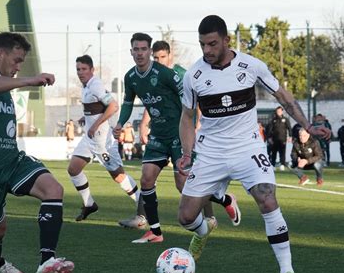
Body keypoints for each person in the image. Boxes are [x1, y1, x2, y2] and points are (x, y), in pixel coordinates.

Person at [177, 15, 331, 273]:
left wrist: (307, 125)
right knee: (186, 217)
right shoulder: (194, 75)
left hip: (247, 146)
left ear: (226, 40)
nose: (207, 51)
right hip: (211, 150)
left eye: (212, 44)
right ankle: (203, 230)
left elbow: (284, 97)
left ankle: (287, 271)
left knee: (267, 197)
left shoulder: (251, 66)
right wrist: (188, 154)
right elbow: (187, 117)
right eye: (202, 45)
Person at [0, 32, 74, 273]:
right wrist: (30, 80)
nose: (18, 66)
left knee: (53, 189)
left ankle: (47, 261)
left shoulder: (3, 83)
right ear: (0, 54)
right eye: (17, 59)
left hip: (11, 161)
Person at [114, 33, 240, 243]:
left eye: (143, 49)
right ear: (131, 52)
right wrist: (120, 123)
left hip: (178, 135)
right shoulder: (130, 77)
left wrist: (195, 123)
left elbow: (190, 97)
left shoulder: (166, 74)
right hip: (158, 135)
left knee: (184, 185)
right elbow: (128, 103)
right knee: (146, 178)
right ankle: (155, 232)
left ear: (149, 52)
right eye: (136, 49)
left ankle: (224, 199)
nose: (140, 53)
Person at [138, 39, 237, 222]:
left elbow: (197, 98)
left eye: (163, 57)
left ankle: (211, 215)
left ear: (170, 56)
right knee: (162, 179)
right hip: (163, 133)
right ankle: (213, 213)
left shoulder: (181, 74)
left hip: (184, 132)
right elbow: (152, 100)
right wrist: (144, 123)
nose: (159, 61)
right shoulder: (153, 74)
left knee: (188, 180)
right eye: (156, 57)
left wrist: (198, 122)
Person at [67, 55, 144, 227]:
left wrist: (95, 124)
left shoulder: (95, 84)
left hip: (102, 141)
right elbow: (96, 107)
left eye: (84, 69)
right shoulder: (86, 86)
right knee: (73, 169)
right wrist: (85, 117)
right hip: (89, 138)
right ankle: (89, 204)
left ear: (92, 70)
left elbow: (113, 106)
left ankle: (142, 203)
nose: (80, 72)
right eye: (78, 69)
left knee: (118, 176)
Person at [267, 106, 291, 171]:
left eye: (280, 111)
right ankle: (273, 165)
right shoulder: (273, 120)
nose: (278, 112)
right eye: (277, 111)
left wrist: (290, 136)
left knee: (282, 153)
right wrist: (269, 138)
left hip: (283, 139)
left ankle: (282, 164)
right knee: (273, 153)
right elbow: (270, 129)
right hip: (274, 140)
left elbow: (289, 128)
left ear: (282, 111)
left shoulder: (285, 119)